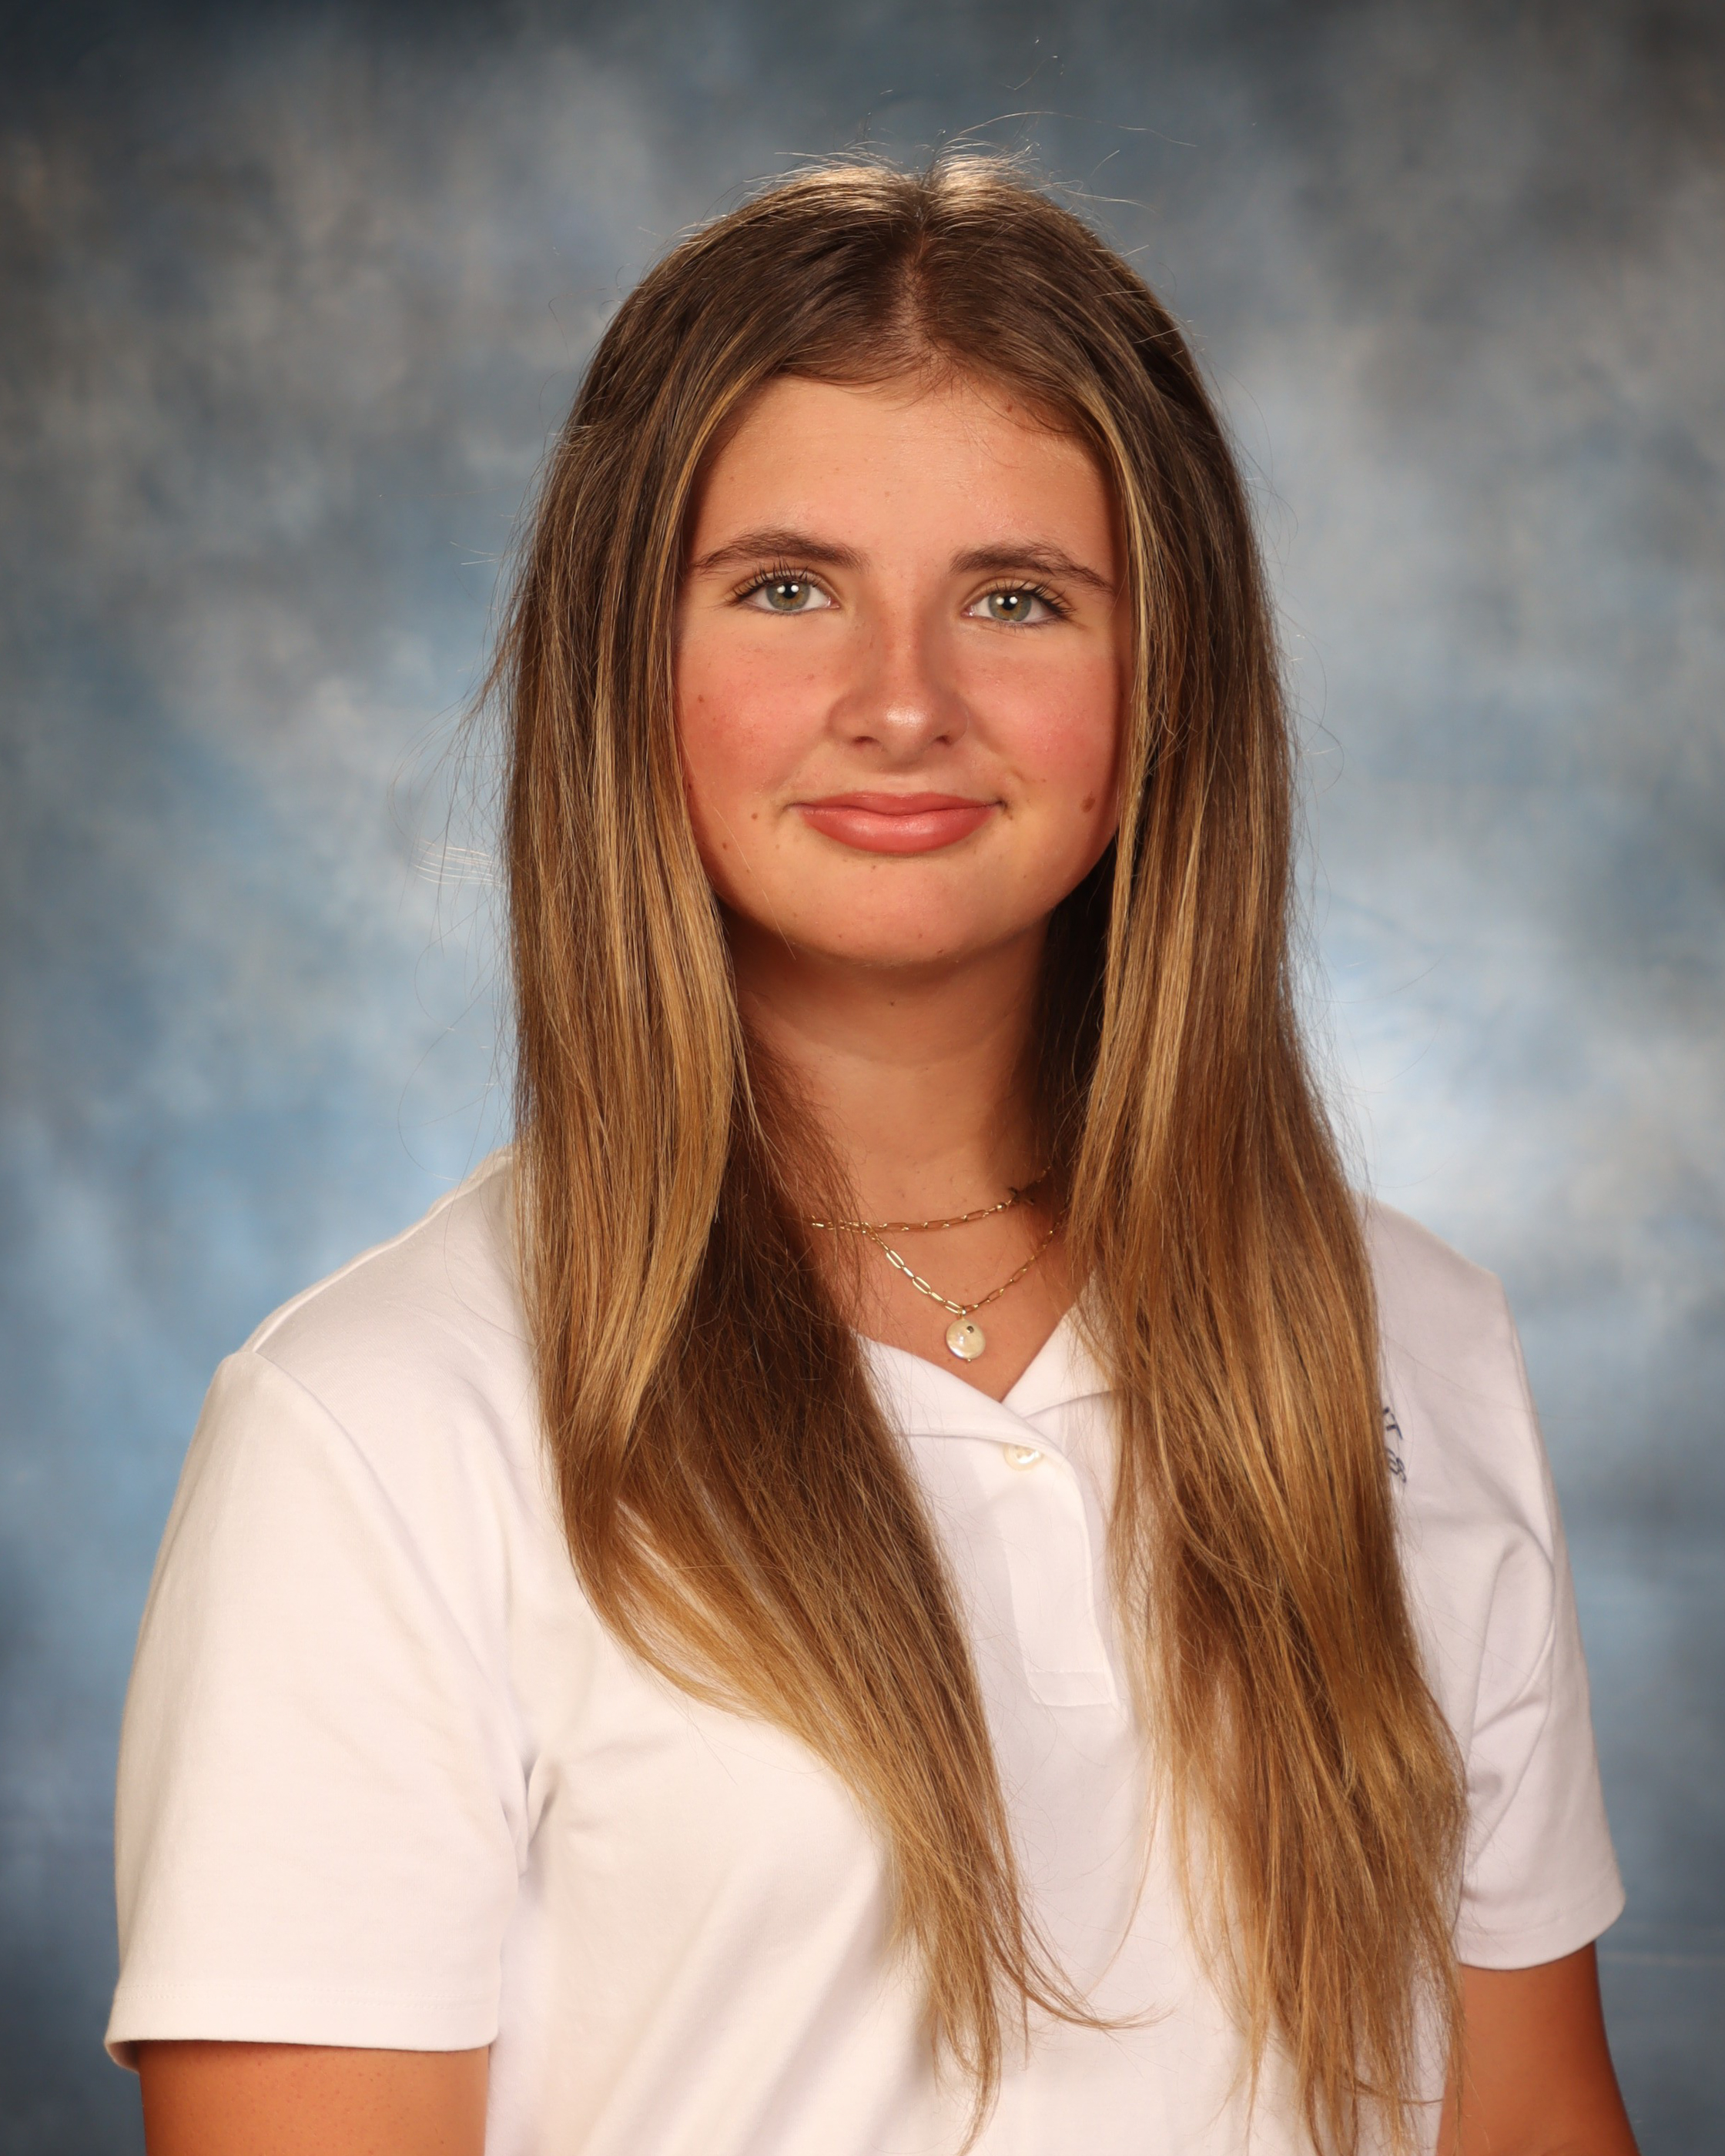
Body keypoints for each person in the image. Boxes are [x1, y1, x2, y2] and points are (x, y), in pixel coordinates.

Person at [109, 159, 1637, 2156]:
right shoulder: (376, 1430)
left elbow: (1528, 2119)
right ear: (626, 665)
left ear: (1164, 680)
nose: (902, 703)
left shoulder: (1411, 1341)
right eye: (785, 588)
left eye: (1017, 599)